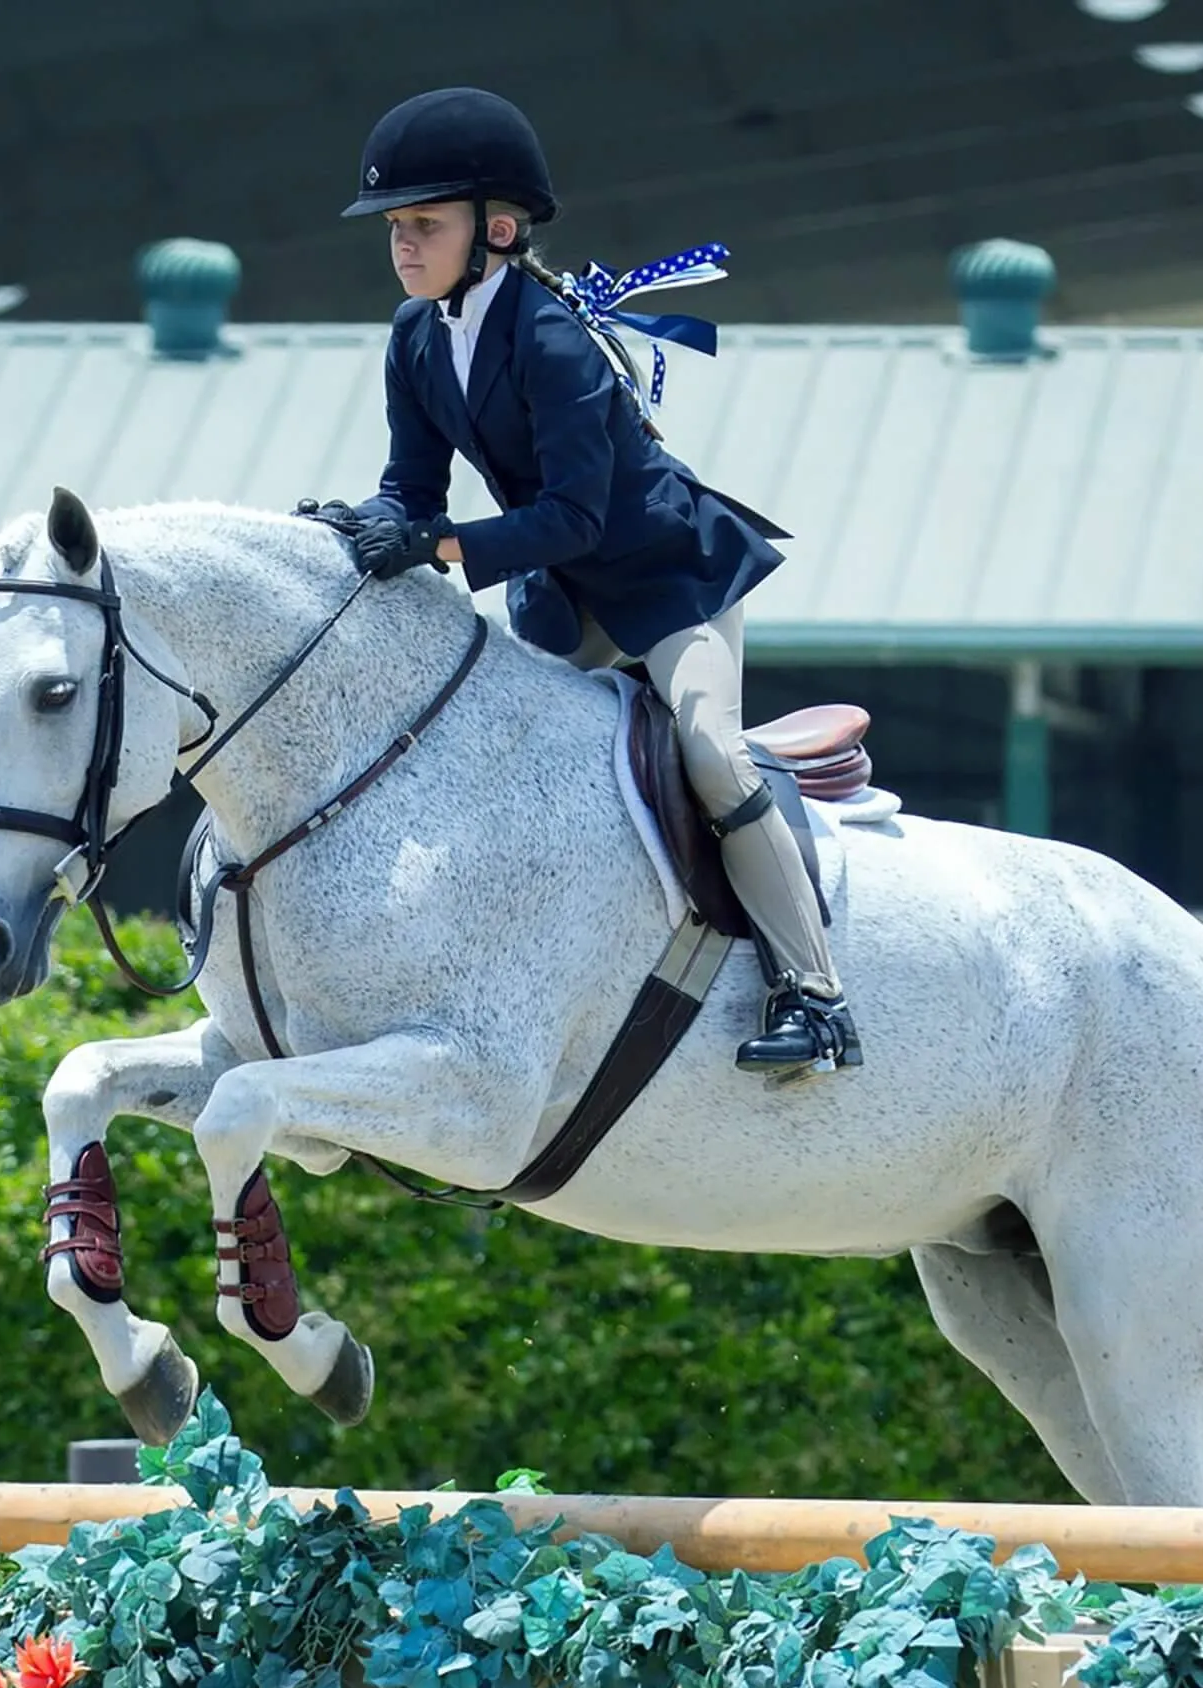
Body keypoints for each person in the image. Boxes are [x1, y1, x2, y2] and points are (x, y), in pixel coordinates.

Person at [306, 86, 861, 1080]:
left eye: (424, 224)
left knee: (709, 754)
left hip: (669, 578)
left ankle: (815, 996)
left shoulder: (551, 338)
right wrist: (361, 528)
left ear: (498, 229)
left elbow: (576, 516)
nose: (402, 243)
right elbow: (410, 487)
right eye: (395, 226)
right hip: (564, 593)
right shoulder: (416, 335)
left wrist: (434, 549)